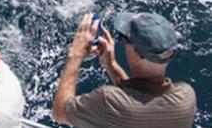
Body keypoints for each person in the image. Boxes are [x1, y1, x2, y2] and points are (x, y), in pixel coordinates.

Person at [53, 12, 197, 128]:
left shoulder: (107, 100)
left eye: (125, 38)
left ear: (137, 54)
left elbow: (60, 112)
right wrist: (111, 65)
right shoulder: (186, 99)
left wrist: (76, 54)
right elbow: (139, 103)